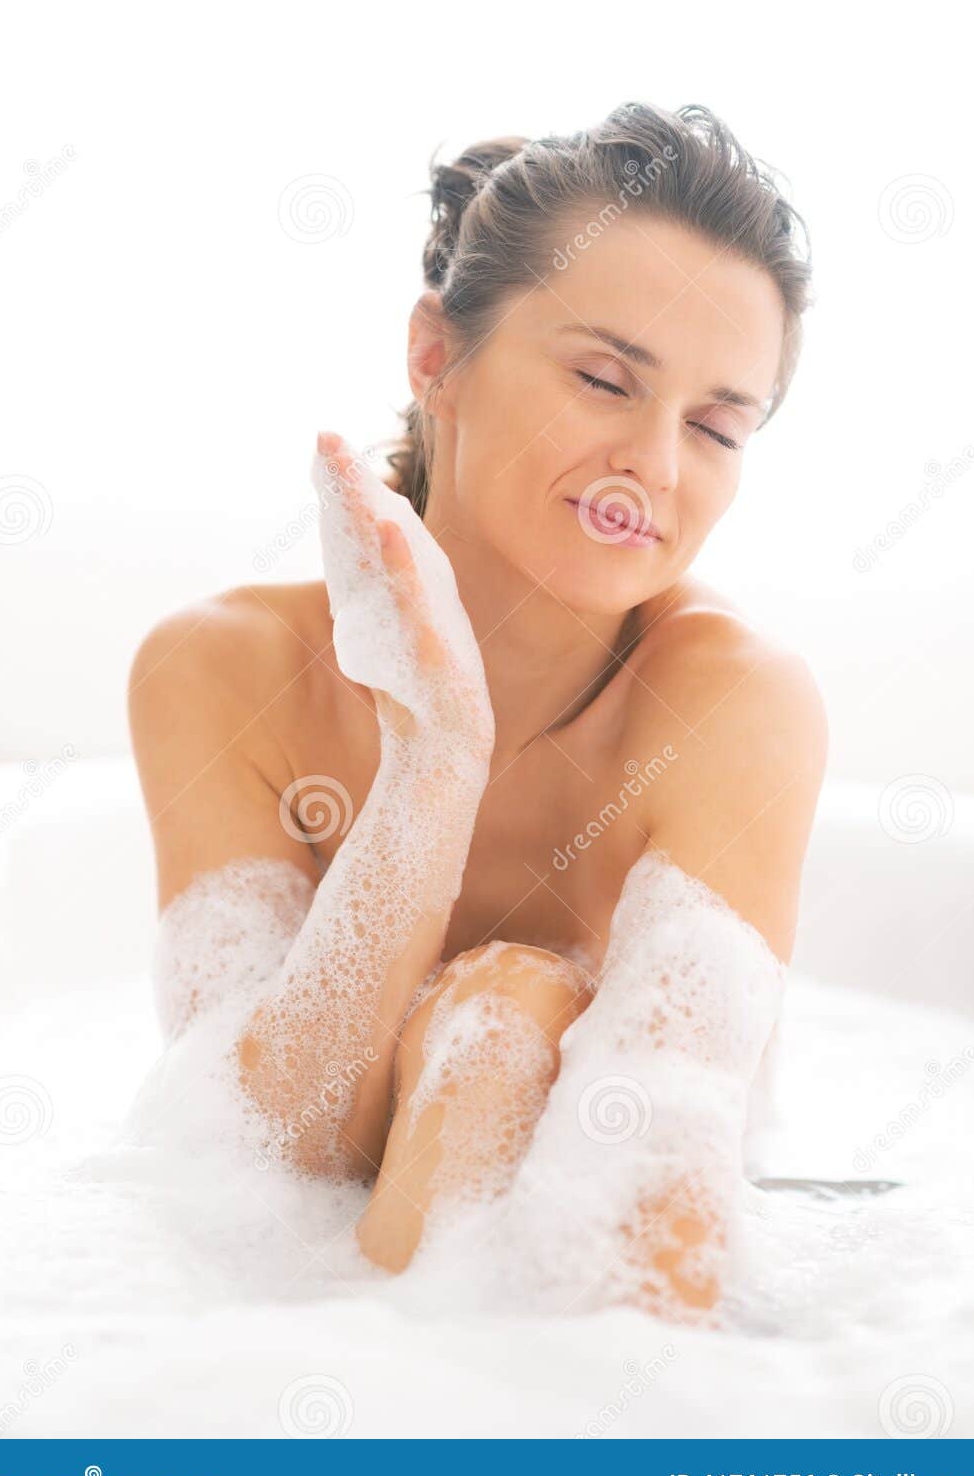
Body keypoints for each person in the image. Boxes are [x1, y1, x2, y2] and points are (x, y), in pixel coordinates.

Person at [128, 101, 828, 1314]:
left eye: (718, 426)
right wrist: (433, 759)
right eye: (606, 379)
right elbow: (260, 1159)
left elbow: (668, 1203)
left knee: (506, 1013)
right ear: (435, 355)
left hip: (581, 1325)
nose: (657, 467)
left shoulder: (735, 706)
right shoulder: (221, 672)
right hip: (290, 1324)